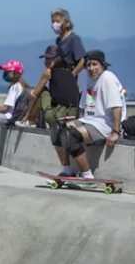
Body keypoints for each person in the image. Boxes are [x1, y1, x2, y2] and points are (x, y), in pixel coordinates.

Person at [53, 50, 126, 189]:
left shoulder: (107, 78)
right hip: (89, 120)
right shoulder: (87, 79)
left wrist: (115, 132)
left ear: (102, 65)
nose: (91, 68)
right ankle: (68, 171)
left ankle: (88, 177)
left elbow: (117, 108)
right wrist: (77, 123)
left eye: (95, 64)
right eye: (88, 65)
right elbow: (82, 108)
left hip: (105, 125)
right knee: (57, 130)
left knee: (71, 135)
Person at [20, 45, 80, 175]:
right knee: (66, 139)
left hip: (58, 114)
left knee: (38, 91)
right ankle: (72, 169)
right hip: (74, 112)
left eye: (50, 58)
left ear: (57, 59)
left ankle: (30, 120)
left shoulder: (48, 72)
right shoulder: (70, 72)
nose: (47, 61)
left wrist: (28, 113)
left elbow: (35, 94)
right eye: (46, 58)